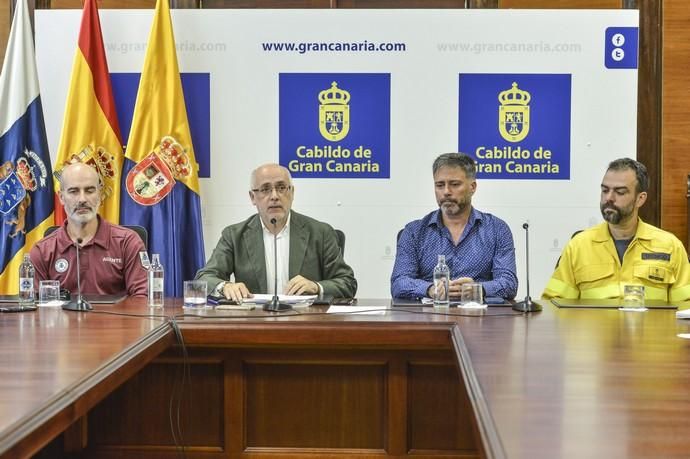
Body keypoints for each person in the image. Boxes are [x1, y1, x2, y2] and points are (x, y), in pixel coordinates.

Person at [195, 163, 357, 302]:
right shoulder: (234, 235)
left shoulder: (320, 232)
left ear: (292, 192)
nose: (274, 196)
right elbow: (204, 277)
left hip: (306, 324)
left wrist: (316, 287)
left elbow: (347, 282)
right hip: (255, 325)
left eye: (281, 188)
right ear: (253, 197)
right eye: (265, 189)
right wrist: (226, 287)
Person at [543, 158, 690, 301]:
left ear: (640, 199)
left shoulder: (670, 246)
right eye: (605, 190)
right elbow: (555, 305)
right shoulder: (579, 246)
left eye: (620, 192)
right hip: (595, 326)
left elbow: (685, 310)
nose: (609, 198)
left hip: (650, 326)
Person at [391, 153, 518, 300]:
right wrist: (430, 290)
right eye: (440, 185)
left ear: (473, 187)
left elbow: (509, 283)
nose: (446, 192)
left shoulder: (497, 229)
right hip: (428, 317)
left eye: (455, 184)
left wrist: (478, 289)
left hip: (480, 316)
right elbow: (399, 283)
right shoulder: (414, 232)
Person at [30, 162, 147, 296]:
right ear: (61, 197)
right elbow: (33, 307)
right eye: (74, 191)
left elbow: (142, 299)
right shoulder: (42, 251)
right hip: (60, 317)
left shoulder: (128, 242)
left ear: (100, 194)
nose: (82, 199)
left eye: (89, 190)